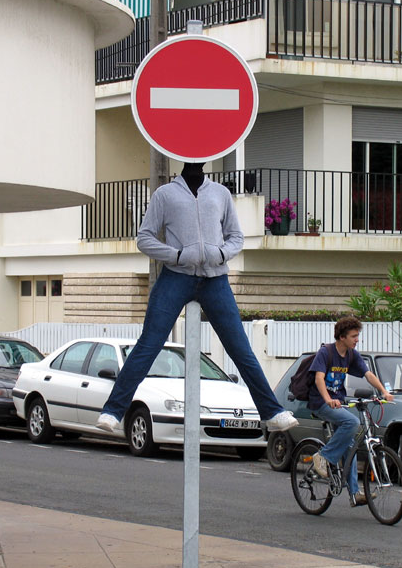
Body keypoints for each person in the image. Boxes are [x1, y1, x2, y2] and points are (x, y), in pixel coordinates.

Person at [96, 162, 299, 434]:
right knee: (148, 345)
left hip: (215, 279)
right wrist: (177, 255)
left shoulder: (220, 194)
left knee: (240, 348)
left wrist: (222, 253)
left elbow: (236, 236)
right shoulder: (165, 194)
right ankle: (113, 411)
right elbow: (144, 238)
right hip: (175, 277)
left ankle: (272, 412)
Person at [309, 316, 394, 507]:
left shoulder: (351, 354)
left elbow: (367, 374)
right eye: (354, 336)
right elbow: (319, 379)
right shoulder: (326, 352)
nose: (357, 340)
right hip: (321, 402)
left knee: (350, 445)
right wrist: (328, 399)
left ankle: (354, 494)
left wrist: (384, 391)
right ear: (341, 337)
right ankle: (323, 456)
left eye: (358, 336)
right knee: (352, 423)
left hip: (339, 402)